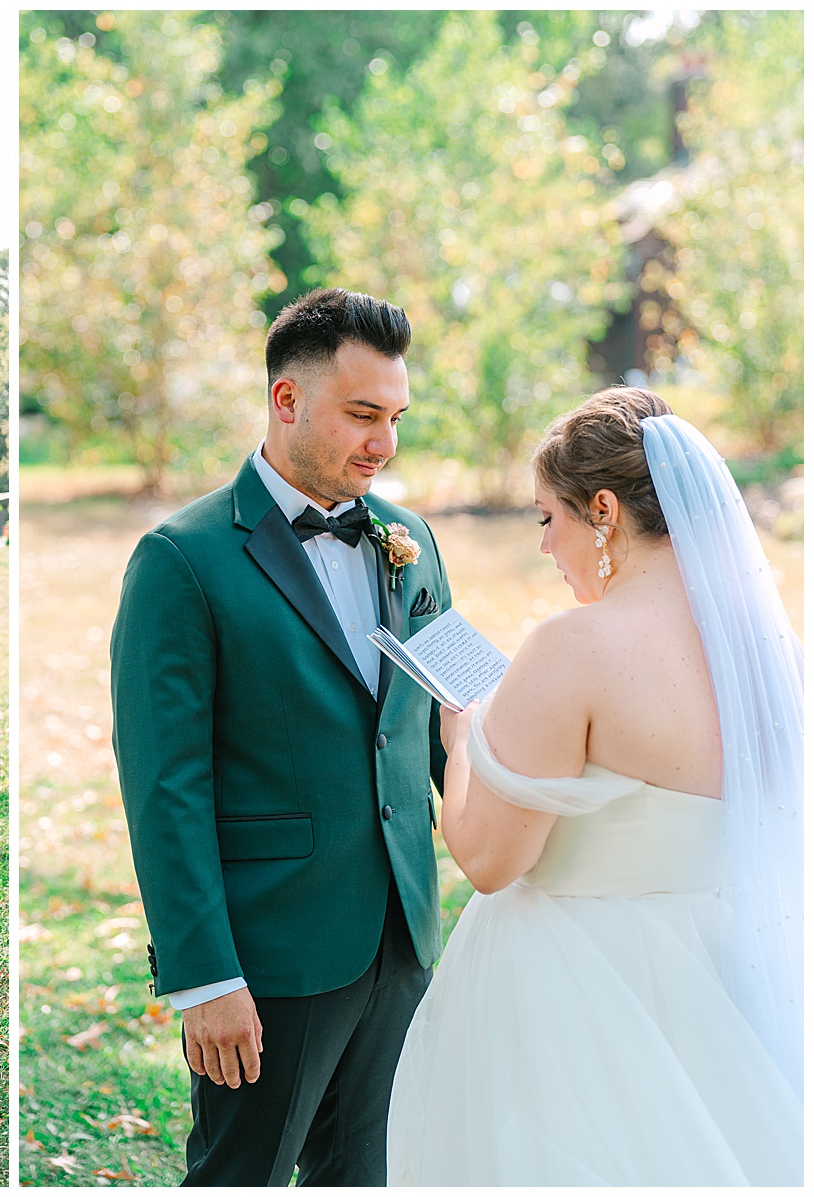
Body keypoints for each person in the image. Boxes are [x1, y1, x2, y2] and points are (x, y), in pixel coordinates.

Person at [386, 388, 803, 1184]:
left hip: (571, 991)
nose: (544, 546)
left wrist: (464, 739)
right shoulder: (773, 655)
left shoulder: (572, 647)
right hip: (715, 978)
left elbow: (488, 860)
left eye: (548, 518)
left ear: (603, 508)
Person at [111, 288, 451, 1185]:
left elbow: (452, 720)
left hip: (402, 937)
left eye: (395, 417)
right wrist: (204, 978)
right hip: (272, 959)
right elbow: (164, 787)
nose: (383, 443)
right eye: (363, 415)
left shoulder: (410, 540)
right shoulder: (180, 560)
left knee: (368, 1173)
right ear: (287, 401)